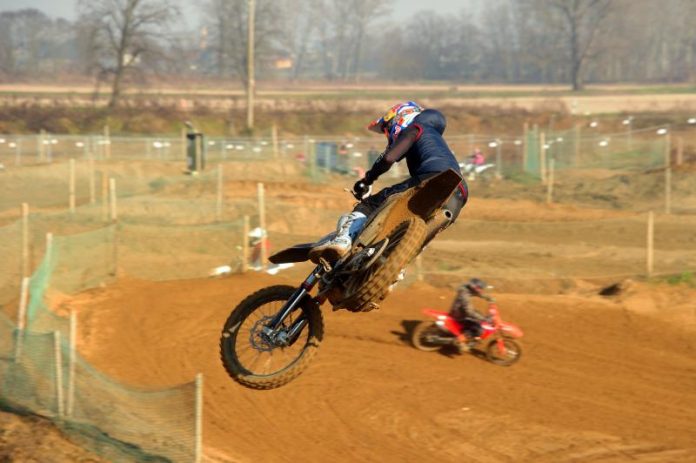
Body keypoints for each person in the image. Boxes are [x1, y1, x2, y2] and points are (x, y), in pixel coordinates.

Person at [309, 101, 468, 263]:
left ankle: (343, 241)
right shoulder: (435, 139)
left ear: (400, 118)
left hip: (434, 178)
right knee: (407, 234)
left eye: (387, 127)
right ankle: (394, 268)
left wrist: (367, 180)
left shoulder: (416, 128)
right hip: (459, 194)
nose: (388, 133)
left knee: (369, 205)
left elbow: (388, 158)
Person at [449, 278, 492, 353]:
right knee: (478, 327)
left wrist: (488, 297)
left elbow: (477, 293)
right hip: (459, 315)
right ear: (474, 287)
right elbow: (469, 311)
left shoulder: (468, 289)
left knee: (478, 315)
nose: (481, 290)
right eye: (480, 288)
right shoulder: (464, 294)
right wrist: (483, 319)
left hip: (460, 311)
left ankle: (468, 337)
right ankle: (461, 342)